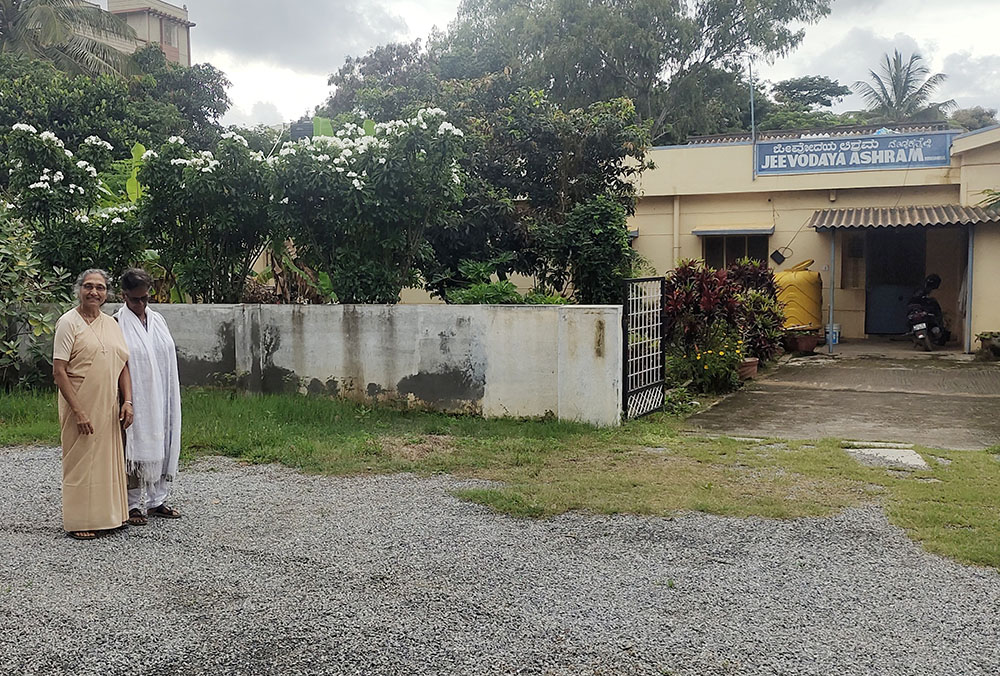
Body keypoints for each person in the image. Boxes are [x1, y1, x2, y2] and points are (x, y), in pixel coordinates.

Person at [52, 269, 133, 540]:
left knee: (107, 460)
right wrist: (78, 411)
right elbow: (59, 371)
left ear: (106, 293)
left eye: (99, 287)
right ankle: (79, 521)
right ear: (79, 289)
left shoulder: (112, 323)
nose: (94, 292)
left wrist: (128, 401)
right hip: (80, 402)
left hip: (108, 404)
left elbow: (123, 365)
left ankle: (110, 516)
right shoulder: (68, 322)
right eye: (88, 286)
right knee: (81, 461)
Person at [115, 268, 182, 525]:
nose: (141, 304)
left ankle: (157, 501)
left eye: (146, 298)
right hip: (134, 396)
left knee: (161, 439)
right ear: (124, 296)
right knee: (134, 445)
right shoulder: (117, 322)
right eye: (135, 299)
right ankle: (132, 505)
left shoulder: (158, 321)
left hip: (161, 394)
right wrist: (126, 400)